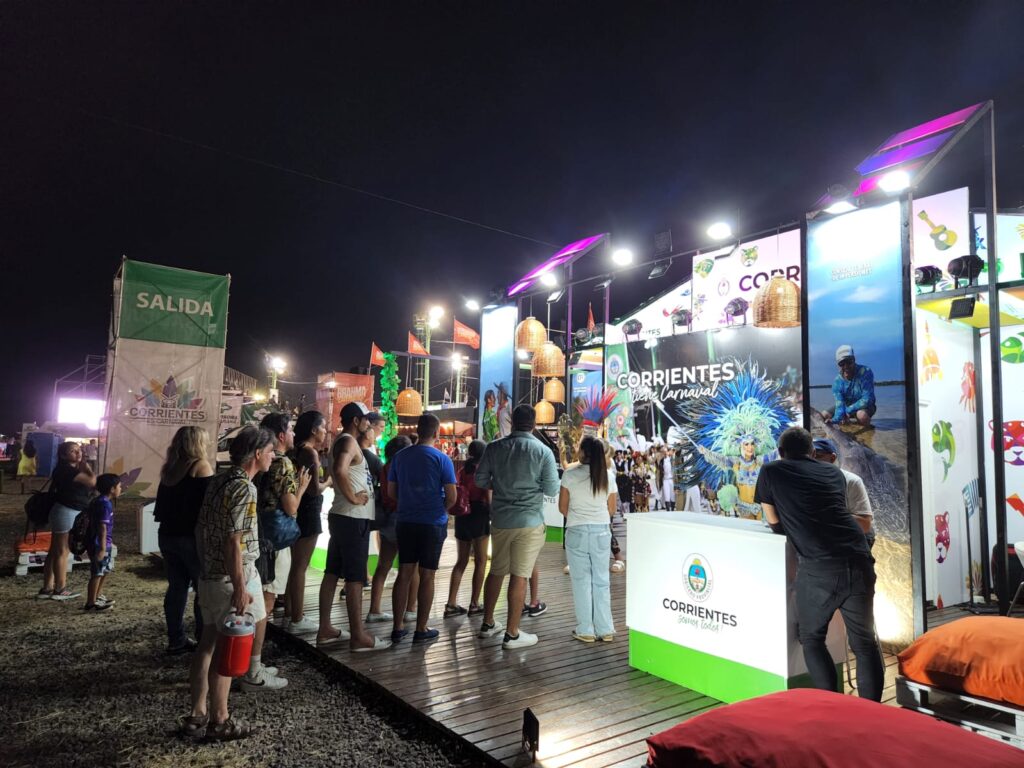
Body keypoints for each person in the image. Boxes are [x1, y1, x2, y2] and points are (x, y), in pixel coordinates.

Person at [754, 427, 884, 701]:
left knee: (811, 638)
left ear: (780, 452)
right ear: (812, 452)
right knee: (864, 643)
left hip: (820, 568)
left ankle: (833, 706)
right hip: (859, 560)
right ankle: (873, 713)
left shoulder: (770, 471)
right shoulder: (834, 473)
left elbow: (774, 522)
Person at [184, 426, 275, 742]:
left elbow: (202, 529)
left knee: (207, 644)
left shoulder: (218, 480)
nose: (273, 457)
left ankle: (197, 713)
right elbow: (233, 541)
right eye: (270, 452)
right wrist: (239, 587)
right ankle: (220, 719)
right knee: (228, 647)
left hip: (209, 575)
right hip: (231, 577)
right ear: (257, 454)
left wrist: (206, 566)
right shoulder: (244, 488)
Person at [475, 404, 559, 649]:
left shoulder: (493, 447)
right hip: (529, 521)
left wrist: (502, 485)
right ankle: (512, 634)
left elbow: (480, 480)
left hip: (501, 519)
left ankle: (488, 623)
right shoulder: (543, 451)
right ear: (533, 424)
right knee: (520, 574)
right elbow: (552, 489)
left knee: (496, 571)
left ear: (512, 421)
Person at [245, 413, 310, 691]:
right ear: (281, 435)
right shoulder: (282, 463)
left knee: (261, 597)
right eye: (291, 430)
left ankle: (250, 662)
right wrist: (302, 487)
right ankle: (252, 667)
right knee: (266, 602)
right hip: (275, 539)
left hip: (260, 533)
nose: (294, 434)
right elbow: (291, 507)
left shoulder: (260, 461)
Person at [318, 402, 391, 651]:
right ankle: (358, 636)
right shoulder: (348, 442)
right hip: (352, 517)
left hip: (343, 516)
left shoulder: (343, 441)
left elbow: (338, 471)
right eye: (366, 420)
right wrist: (353, 498)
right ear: (356, 420)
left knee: (332, 572)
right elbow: (339, 470)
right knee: (355, 577)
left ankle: (325, 628)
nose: (369, 424)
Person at [387, 413, 458, 644]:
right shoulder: (442, 459)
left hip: (405, 521)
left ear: (418, 430)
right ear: (436, 433)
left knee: (404, 573)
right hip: (432, 523)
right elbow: (452, 496)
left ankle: (397, 627)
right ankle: (421, 628)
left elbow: (391, 492)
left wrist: (408, 503)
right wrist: (439, 509)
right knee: (428, 575)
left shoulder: (400, 457)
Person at [154, 426, 214, 654]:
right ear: (198, 442)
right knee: (203, 590)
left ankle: (176, 639)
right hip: (191, 538)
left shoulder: (169, 468)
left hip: (167, 535)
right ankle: (204, 640)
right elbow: (207, 505)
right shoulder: (200, 466)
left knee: (177, 588)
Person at [559, 437, 617, 642]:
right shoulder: (608, 476)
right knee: (602, 580)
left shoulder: (570, 474)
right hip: (602, 532)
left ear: (583, 452)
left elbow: (562, 508)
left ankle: (586, 630)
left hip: (577, 531)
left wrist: (579, 516)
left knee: (581, 581)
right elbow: (612, 509)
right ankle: (605, 629)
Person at [286, 410, 332, 632]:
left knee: (294, 564)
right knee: (300, 566)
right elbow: (314, 489)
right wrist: (329, 481)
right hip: (309, 509)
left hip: (297, 509)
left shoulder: (295, 450)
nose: (325, 431)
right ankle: (297, 618)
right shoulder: (310, 452)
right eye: (323, 427)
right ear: (314, 430)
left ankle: (290, 612)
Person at [367, 435, 419, 624]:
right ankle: (410, 609)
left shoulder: (385, 467)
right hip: (403, 517)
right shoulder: (405, 467)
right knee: (411, 567)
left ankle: (374, 610)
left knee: (383, 565)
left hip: (387, 519)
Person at [40, 442, 96, 601]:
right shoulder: (67, 470)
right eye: (73, 451)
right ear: (64, 455)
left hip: (66, 511)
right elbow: (92, 482)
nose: (78, 453)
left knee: (54, 551)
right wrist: (87, 469)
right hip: (66, 511)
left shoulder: (66, 470)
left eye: (79, 450)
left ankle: (47, 587)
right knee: (62, 551)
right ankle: (60, 589)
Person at [444, 439, 490, 617]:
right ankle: (474, 603)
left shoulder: (462, 470)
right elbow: (488, 496)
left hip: (463, 515)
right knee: (481, 561)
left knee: (461, 561)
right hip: (480, 514)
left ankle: (451, 604)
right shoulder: (484, 472)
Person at [812, 438, 875, 548]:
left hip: (852, 542)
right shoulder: (807, 480)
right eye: (809, 456)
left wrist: (824, 513)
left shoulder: (852, 481)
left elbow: (865, 525)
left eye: (817, 456)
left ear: (832, 458)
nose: (812, 461)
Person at [84, 473, 121, 611]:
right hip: (100, 543)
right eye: (119, 486)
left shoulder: (98, 501)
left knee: (104, 570)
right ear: (112, 489)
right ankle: (90, 603)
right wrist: (102, 547)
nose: (120, 489)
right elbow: (102, 527)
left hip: (100, 542)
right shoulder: (105, 504)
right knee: (97, 572)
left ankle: (97, 596)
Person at [824, 345, 876, 426]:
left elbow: (868, 399)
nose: (846, 366)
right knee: (824, 415)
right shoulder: (837, 382)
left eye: (849, 362)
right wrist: (835, 420)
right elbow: (839, 405)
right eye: (842, 363)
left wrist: (847, 411)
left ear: (854, 360)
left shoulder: (865, 372)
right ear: (838, 365)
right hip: (846, 406)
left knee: (861, 416)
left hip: (865, 407)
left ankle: (868, 431)